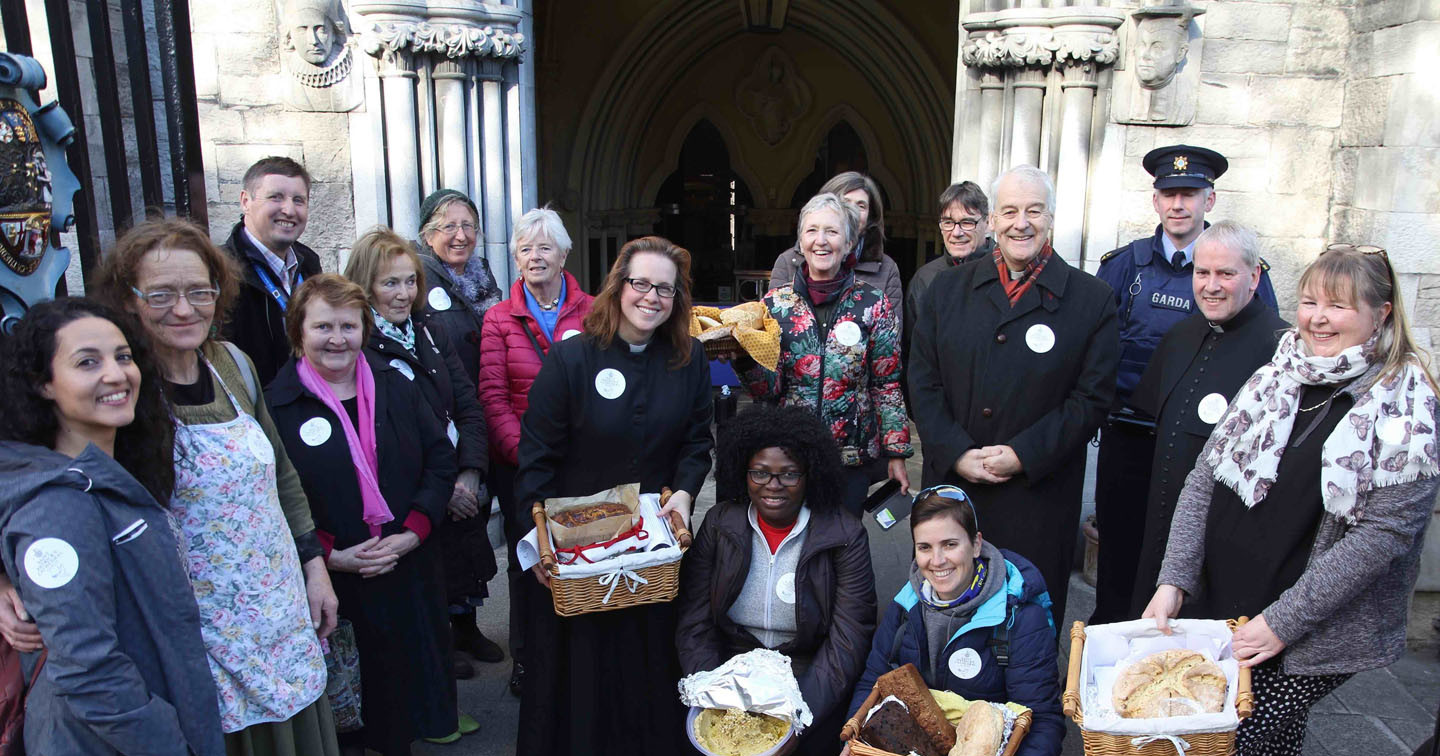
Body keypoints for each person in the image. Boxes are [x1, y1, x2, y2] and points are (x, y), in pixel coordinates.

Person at [1143, 244, 1440, 755]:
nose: (1318, 319)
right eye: (1308, 302)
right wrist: (1175, 578)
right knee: (1266, 743)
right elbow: (1204, 479)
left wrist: (1283, 623)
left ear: (1381, 313)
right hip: (1224, 599)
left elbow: (1382, 537)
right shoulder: (1275, 375)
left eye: (1338, 306)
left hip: (1302, 626)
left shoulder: (1407, 404)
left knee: (1220, 741)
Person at [88, 218, 339, 754]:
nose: (184, 309)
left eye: (199, 291)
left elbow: (281, 475)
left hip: (276, 608)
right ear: (128, 300)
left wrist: (314, 567)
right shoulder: (116, 388)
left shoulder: (235, 366)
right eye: (161, 294)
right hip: (192, 629)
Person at [515, 236, 713, 756]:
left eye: (664, 289)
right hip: (578, 548)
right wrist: (538, 541)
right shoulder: (571, 359)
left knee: (645, 664)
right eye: (641, 284)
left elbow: (697, 442)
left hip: (650, 549)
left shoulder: (688, 360)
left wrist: (686, 495)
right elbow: (536, 457)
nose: (651, 297)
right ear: (618, 286)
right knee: (579, 672)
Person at [0, 298, 225, 755]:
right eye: (87, 362)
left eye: (123, 357)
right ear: (43, 384)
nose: (116, 374)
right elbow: (89, 670)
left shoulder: (110, 475)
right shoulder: (58, 507)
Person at [908, 165, 1118, 627]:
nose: (1020, 222)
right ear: (992, 221)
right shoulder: (946, 291)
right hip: (957, 491)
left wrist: (1023, 454)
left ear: (1051, 219)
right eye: (1009, 211)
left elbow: (1092, 399)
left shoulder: (1093, 299)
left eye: (1033, 211)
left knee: (1027, 624)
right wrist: (957, 451)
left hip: (1038, 496)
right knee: (947, 618)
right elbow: (922, 381)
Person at [266, 274, 458, 756]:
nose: (337, 339)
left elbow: (440, 460)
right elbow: (270, 497)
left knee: (400, 706)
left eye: (348, 326)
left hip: (405, 567)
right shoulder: (277, 405)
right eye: (322, 327)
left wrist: (414, 531)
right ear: (298, 331)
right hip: (335, 582)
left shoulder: (396, 383)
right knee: (346, 714)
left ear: (364, 329)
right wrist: (328, 555)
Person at [1089, 144, 1279, 624]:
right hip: (1130, 436)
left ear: (1208, 201)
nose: (1179, 204)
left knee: (1189, 559)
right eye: (1169, 193)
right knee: (1121, 556)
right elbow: (1095, 346)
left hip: (1205, 447)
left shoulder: (1245, 268)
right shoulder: (1123, 265)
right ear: (1155, 200)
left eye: (1189, 194)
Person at [344, 227, 495, 741]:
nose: (404, 293)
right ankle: (414, 717)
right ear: (365, 287)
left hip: (451, 486)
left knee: (437, 609)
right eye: (391, 283)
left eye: (410, 281)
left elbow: (468, 402)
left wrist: (470, 473)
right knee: (404, 619)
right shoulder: (361, 348)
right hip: (407, 499)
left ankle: (439, 712)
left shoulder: (426, 331)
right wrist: (442, 489)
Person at [677, 405, 876, 756]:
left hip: (808, 671)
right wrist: (712, 691)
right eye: (760, 473)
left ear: (809, 475)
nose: (773, 486)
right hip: (731, 667)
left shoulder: (844, 534)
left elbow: (849, 639)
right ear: (744, 472)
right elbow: (694, 620)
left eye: (789, 474)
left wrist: (798, 714)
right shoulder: (720, 523)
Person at [1127, 221, 1287, 617]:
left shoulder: (1280, 349)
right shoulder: (1179, 336)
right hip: (1161, 530)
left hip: (1228, 543)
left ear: (1254, 277)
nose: (1211, 285)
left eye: (1226, 274)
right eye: (1203, 273)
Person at [845, 487, 1063, 756]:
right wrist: (851, 740)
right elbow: (872, 682)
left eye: (950, 544)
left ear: (976, 544)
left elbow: (1042, 721)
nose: (937, 561)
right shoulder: (904, 607)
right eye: (924, 547)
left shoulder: (1019, 617)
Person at [476, 206, 594, 697]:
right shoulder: (499, 318)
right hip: (523, 464)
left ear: (565, 254)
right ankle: (527, 659)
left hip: (583, 462)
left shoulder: (595, 311)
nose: (535, 256)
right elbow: (493, 396)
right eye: (525, 248)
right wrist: (529, 456)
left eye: (545, 247)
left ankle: (581, 654)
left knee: (584, 557)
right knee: (530, 563)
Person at [739, 193, 911, 515]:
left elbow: (886, 385)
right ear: (800, 242)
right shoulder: (775, 306)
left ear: (848, 243)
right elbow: (768, 390)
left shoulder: (873, 304)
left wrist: (897, 452)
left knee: (842, 547)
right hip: (788, 457)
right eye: (812, 231)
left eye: (832, 232)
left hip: (849, 457)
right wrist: (743, 358)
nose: (821, 241)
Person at [221, 156, 323, 385]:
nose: (288, 210)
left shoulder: (309, 264)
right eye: (275, 197)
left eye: (299, 200)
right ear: (245, 201)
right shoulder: (221, 270)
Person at [769, 172, 903, 327]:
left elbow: (890, 339)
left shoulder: (886, 268)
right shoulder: (788, 262)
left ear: (870, 216)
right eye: (844, 202)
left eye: (861, 206)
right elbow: (772, 330)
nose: (851, 211)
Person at [416, 189, 503, 386]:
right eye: (449, 227)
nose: (461, 236)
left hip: (486, 394)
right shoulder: (417, 278)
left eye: (467, 226)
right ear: (429, 236)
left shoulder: (484, 276)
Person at [904, 181, 994, 356]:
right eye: (948, 222)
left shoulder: (1006, 270)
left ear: (988, 223)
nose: (956, 232)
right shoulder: (925, 278)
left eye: (967, 222)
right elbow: (914, 351)